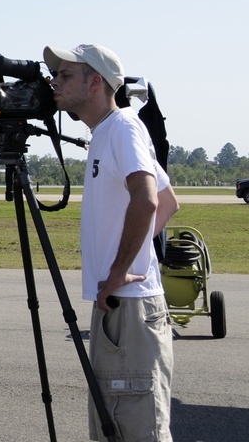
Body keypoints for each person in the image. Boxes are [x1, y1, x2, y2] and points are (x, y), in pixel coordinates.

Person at [44, 43, 172, 442]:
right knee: (114, 424)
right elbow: (169, 203)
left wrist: (121, 270)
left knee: (135, 427)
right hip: (119, 304)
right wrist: (133, 260)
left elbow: (149, 199)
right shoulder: (106, 132)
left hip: (129, 308)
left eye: (65, 75)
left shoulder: (123, 127)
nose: (55, 82)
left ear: (95, 81)